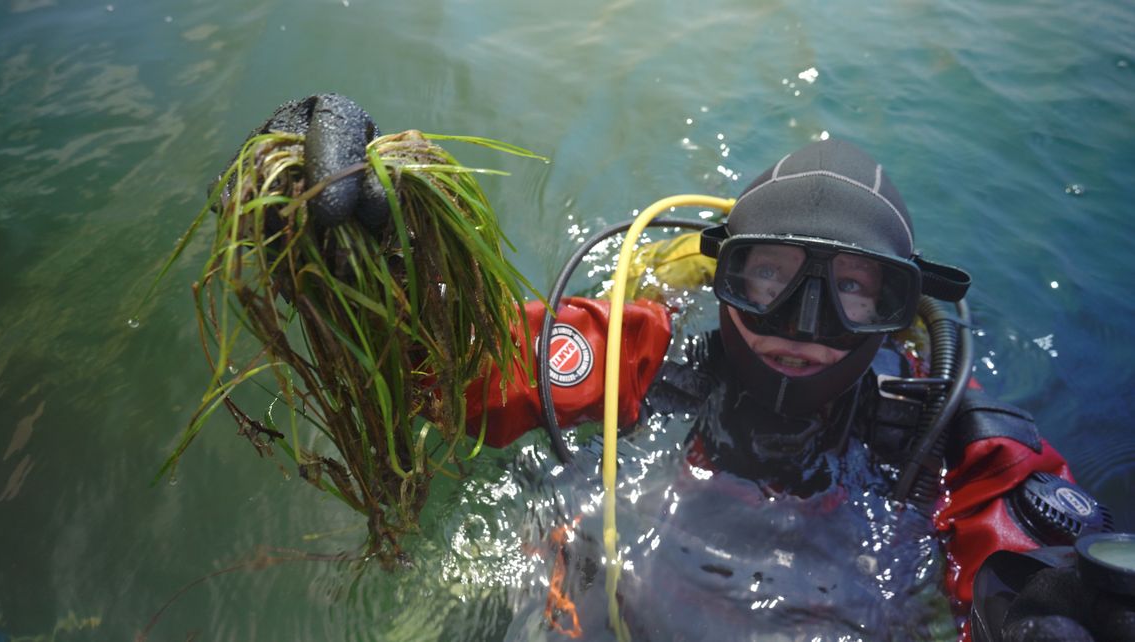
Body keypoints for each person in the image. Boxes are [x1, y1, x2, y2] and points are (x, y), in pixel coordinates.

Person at [234, 95, 1129, 641]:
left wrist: (1035, 602)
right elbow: (463, 366)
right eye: (770, 277)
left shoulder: (938, 432)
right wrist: (357, 250)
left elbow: (1019, 532)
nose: (804, 325)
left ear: (900, 310)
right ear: (725, 274)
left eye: (855, 292)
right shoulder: (650, 359)